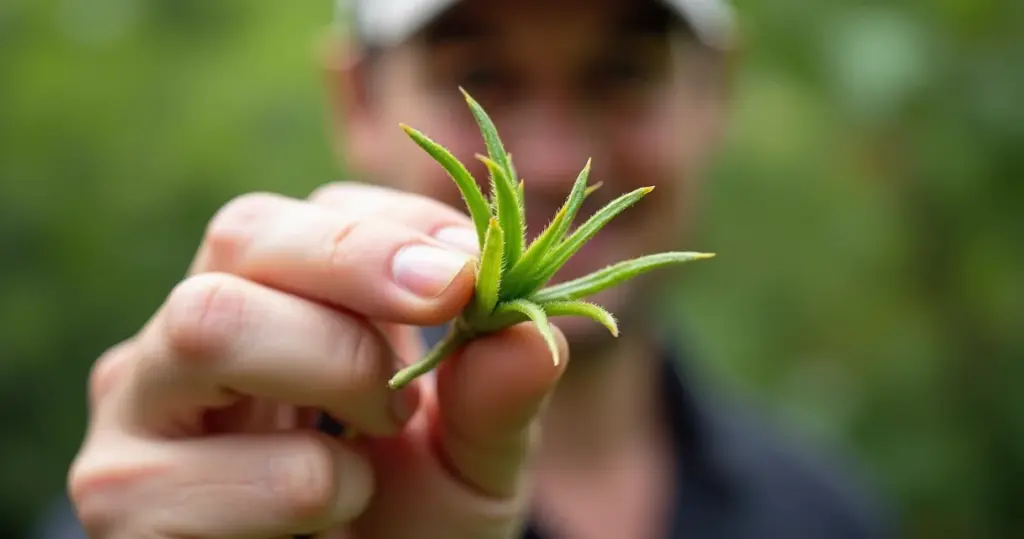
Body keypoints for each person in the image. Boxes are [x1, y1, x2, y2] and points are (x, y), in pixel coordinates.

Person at [44, 0, 892, 538]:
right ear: (359, 103)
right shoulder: (199, 499)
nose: (556, 165)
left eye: (624, 72)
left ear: (718, 94)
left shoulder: (825, 510)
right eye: (480, 76)